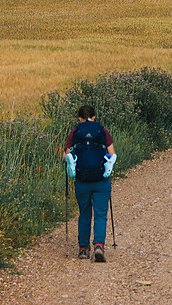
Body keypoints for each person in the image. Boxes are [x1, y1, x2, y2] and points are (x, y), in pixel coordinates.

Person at [63, 104, 116, 262]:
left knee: (84, 213)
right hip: (101, 180)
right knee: (100, 214)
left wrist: (70, 159)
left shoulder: (75, 132)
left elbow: (66, 155)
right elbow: (112, 153)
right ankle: (99, 246)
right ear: (94, 117)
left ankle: (83, 249)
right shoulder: (102, 130)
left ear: (79, 118)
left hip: (82, 180)